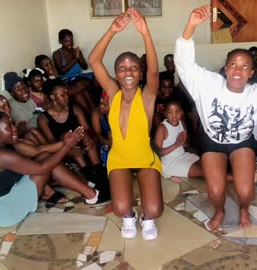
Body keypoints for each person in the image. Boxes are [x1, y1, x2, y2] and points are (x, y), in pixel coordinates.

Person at [175, 5, 257, 232]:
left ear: (251, 73)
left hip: (242, 143)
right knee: (215, 191)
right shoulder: (208, 84)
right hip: (211, 142)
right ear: (225, 69)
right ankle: (220, 210)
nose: (238, 70)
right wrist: (191, 26)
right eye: (233, 64)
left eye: (245, 66)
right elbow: (184, 64)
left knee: (245, 192)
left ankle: (244, 208)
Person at [89, 8, 162, 240]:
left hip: (145, 157)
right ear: (116, 74)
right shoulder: (112, 92)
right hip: (119, 157)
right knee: (121, 209)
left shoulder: (148, 95)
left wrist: (145, 33)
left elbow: (154, 70)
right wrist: (112, 30)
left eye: (133, 67)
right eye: (122, 68)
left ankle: (146, 219)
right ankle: (130, 216)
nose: (128, 71)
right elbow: (93, 60)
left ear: (140, 73)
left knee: (154, 210)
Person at [0, 112, 104, 227]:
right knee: (47, 165)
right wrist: (66, 147)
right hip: (1, 210)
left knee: (44, 157)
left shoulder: (2, 144)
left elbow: (38, 151)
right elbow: (42, 169)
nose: (14, 129)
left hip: (8, 193)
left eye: (12, 124)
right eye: (9, 127)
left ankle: (90, 192)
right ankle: (91, 194)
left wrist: (66, 143)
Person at [37, 79, 109, 195]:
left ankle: (98, 172)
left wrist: (92, 140)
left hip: (85, 146)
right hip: (64, 151)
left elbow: (88, 129)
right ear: (53, 97)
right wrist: (68, 150)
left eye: (66, 93)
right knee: (69, 136)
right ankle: (90, 175)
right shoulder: (43, 119)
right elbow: (51, 143)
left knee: (82, 133)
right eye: (62, 95)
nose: (67, 97)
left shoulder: (75, 109)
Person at [154, 101, 202, 181]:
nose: (174, 116)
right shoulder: (162, 128)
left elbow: (186, 144)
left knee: (209, 166)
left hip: (182, 155)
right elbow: (157, 153)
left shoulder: (181, 123)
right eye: (170, 112)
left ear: (181, 113)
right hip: (170, 163)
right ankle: (230, 178)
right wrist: (177, 144)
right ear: (165, 114)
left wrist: (183, 141)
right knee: (208, 172)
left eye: (177, 112)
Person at [91, 91, 112, 166]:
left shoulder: (122, 113)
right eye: (101, 101)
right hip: (105, 143)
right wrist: (109, 143)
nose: (101, 106)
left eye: (105, 104)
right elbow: (98, 136)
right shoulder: (96, 113)